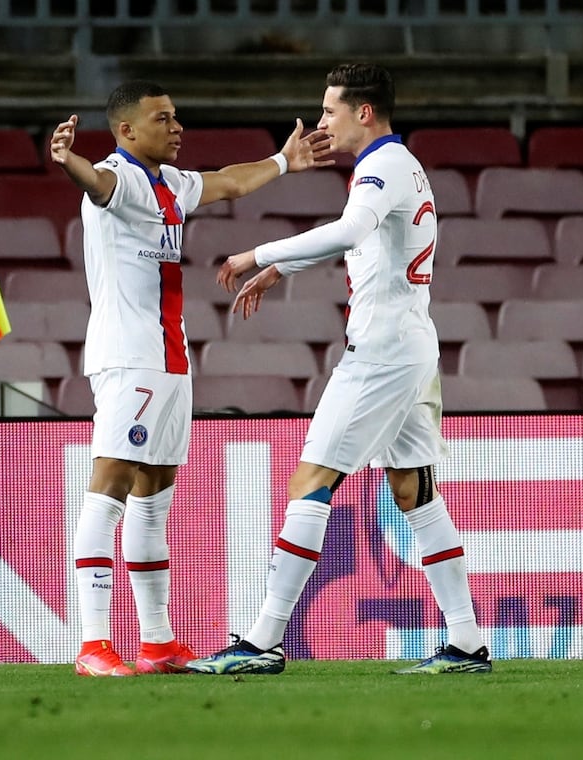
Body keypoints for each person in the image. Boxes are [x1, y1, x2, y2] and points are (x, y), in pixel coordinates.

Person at [186, 63, 490, 676]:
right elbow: (371, 242)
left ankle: (262, 639)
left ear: (364, 113)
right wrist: (283, 272)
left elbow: (353, 229)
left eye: (329, 110)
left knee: (310, 481)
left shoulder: (379, 167)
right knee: (412, 489)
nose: (321, 121)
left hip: (380, 352)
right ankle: (466, 642)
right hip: (411, 344)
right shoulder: (397, 165)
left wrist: (257, 253)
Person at [50, 81, 330, 676]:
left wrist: (285, 160)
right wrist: (68, 160)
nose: (177, 127)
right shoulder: (117, 177)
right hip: (129, 359)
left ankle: (157, 642)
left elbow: (229, 180)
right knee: (109, 491)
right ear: (127, 131)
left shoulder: (171, 183)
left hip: (171, 361)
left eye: (177, 117)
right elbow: (93, 184)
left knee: (153, 501)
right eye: (162, 119)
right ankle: (93, 644)